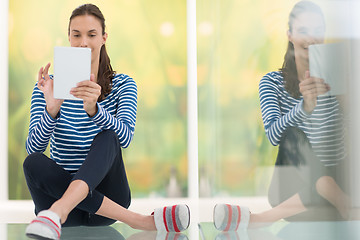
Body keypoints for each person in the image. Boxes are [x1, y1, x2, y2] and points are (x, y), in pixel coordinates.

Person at [23, 4, 189, 240]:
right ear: (68, 37)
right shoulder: (48, 87)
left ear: (103, 38)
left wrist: (94, 110)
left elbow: (125, 138)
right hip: (59, 199)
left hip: (105, 197)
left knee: (108, 136)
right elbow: (34, 148)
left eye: (91, 35)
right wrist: (51, 110)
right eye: (76, 35)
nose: (83, 43)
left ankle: (58, 211)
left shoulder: (124, 85)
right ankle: (139, 221)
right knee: (33, 162)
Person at [213, 1, 351, 230]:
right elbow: (273, 135)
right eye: (303, 31)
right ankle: (327, 188)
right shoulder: (271, 82)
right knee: (291, 134)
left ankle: (259, 220)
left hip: (323, 190)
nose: (311, 37)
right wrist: (304, 108)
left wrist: (346, 97)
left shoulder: (339, 77)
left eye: (317, 30)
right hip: (294, 187)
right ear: (290, 35)